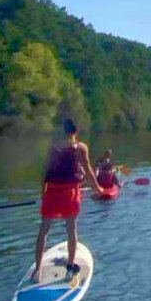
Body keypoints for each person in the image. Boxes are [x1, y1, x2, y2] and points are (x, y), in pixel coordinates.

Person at [35, 118, 104, 282]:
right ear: (75, 132)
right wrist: (97, 188)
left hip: (51, 192)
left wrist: (42, 192)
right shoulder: (80, 148)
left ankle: (38, 271)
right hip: (69, 194)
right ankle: (70, 268)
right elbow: (88, 170)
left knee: (44, 230)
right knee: (71, 229)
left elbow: (45, 172)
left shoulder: (52, 148)